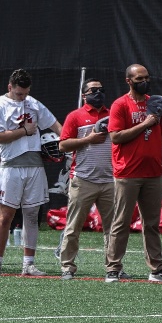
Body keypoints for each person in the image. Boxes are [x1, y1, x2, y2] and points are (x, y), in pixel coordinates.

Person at [0, 69, 61, 276]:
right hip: (11, 166)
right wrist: (24, 131)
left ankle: (29, 264)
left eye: (26, 93)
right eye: (19, 93)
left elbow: (56, 126)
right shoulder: (0, 105)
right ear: (9, 87)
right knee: (5, 216)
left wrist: (70, 143)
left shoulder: (33, 103)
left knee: (32, 215)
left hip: (35, 165)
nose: (23, 97)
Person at [103, 64, 162, 283]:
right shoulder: (120, 104)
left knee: (151, 224)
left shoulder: (155, 102)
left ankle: (156, 268)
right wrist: (145, 124)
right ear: (129, 81)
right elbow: (116, 136)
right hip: (127, 172)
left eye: (147, 77)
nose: (145, 81)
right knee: (121, 222)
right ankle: (113, 267)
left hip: (153, 172)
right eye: (140, 78)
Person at [56, 78, 118, 280]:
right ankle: (67, 266)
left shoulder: (113, 114)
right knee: (73, 226)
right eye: (93, 90)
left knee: (113, 228)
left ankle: (113, 267)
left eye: (101, 89)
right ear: (84, 95)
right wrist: (88, 139)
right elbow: (63, 145)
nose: (98, 93)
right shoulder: (75, 116)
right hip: (83, 179)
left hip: (109, 180)